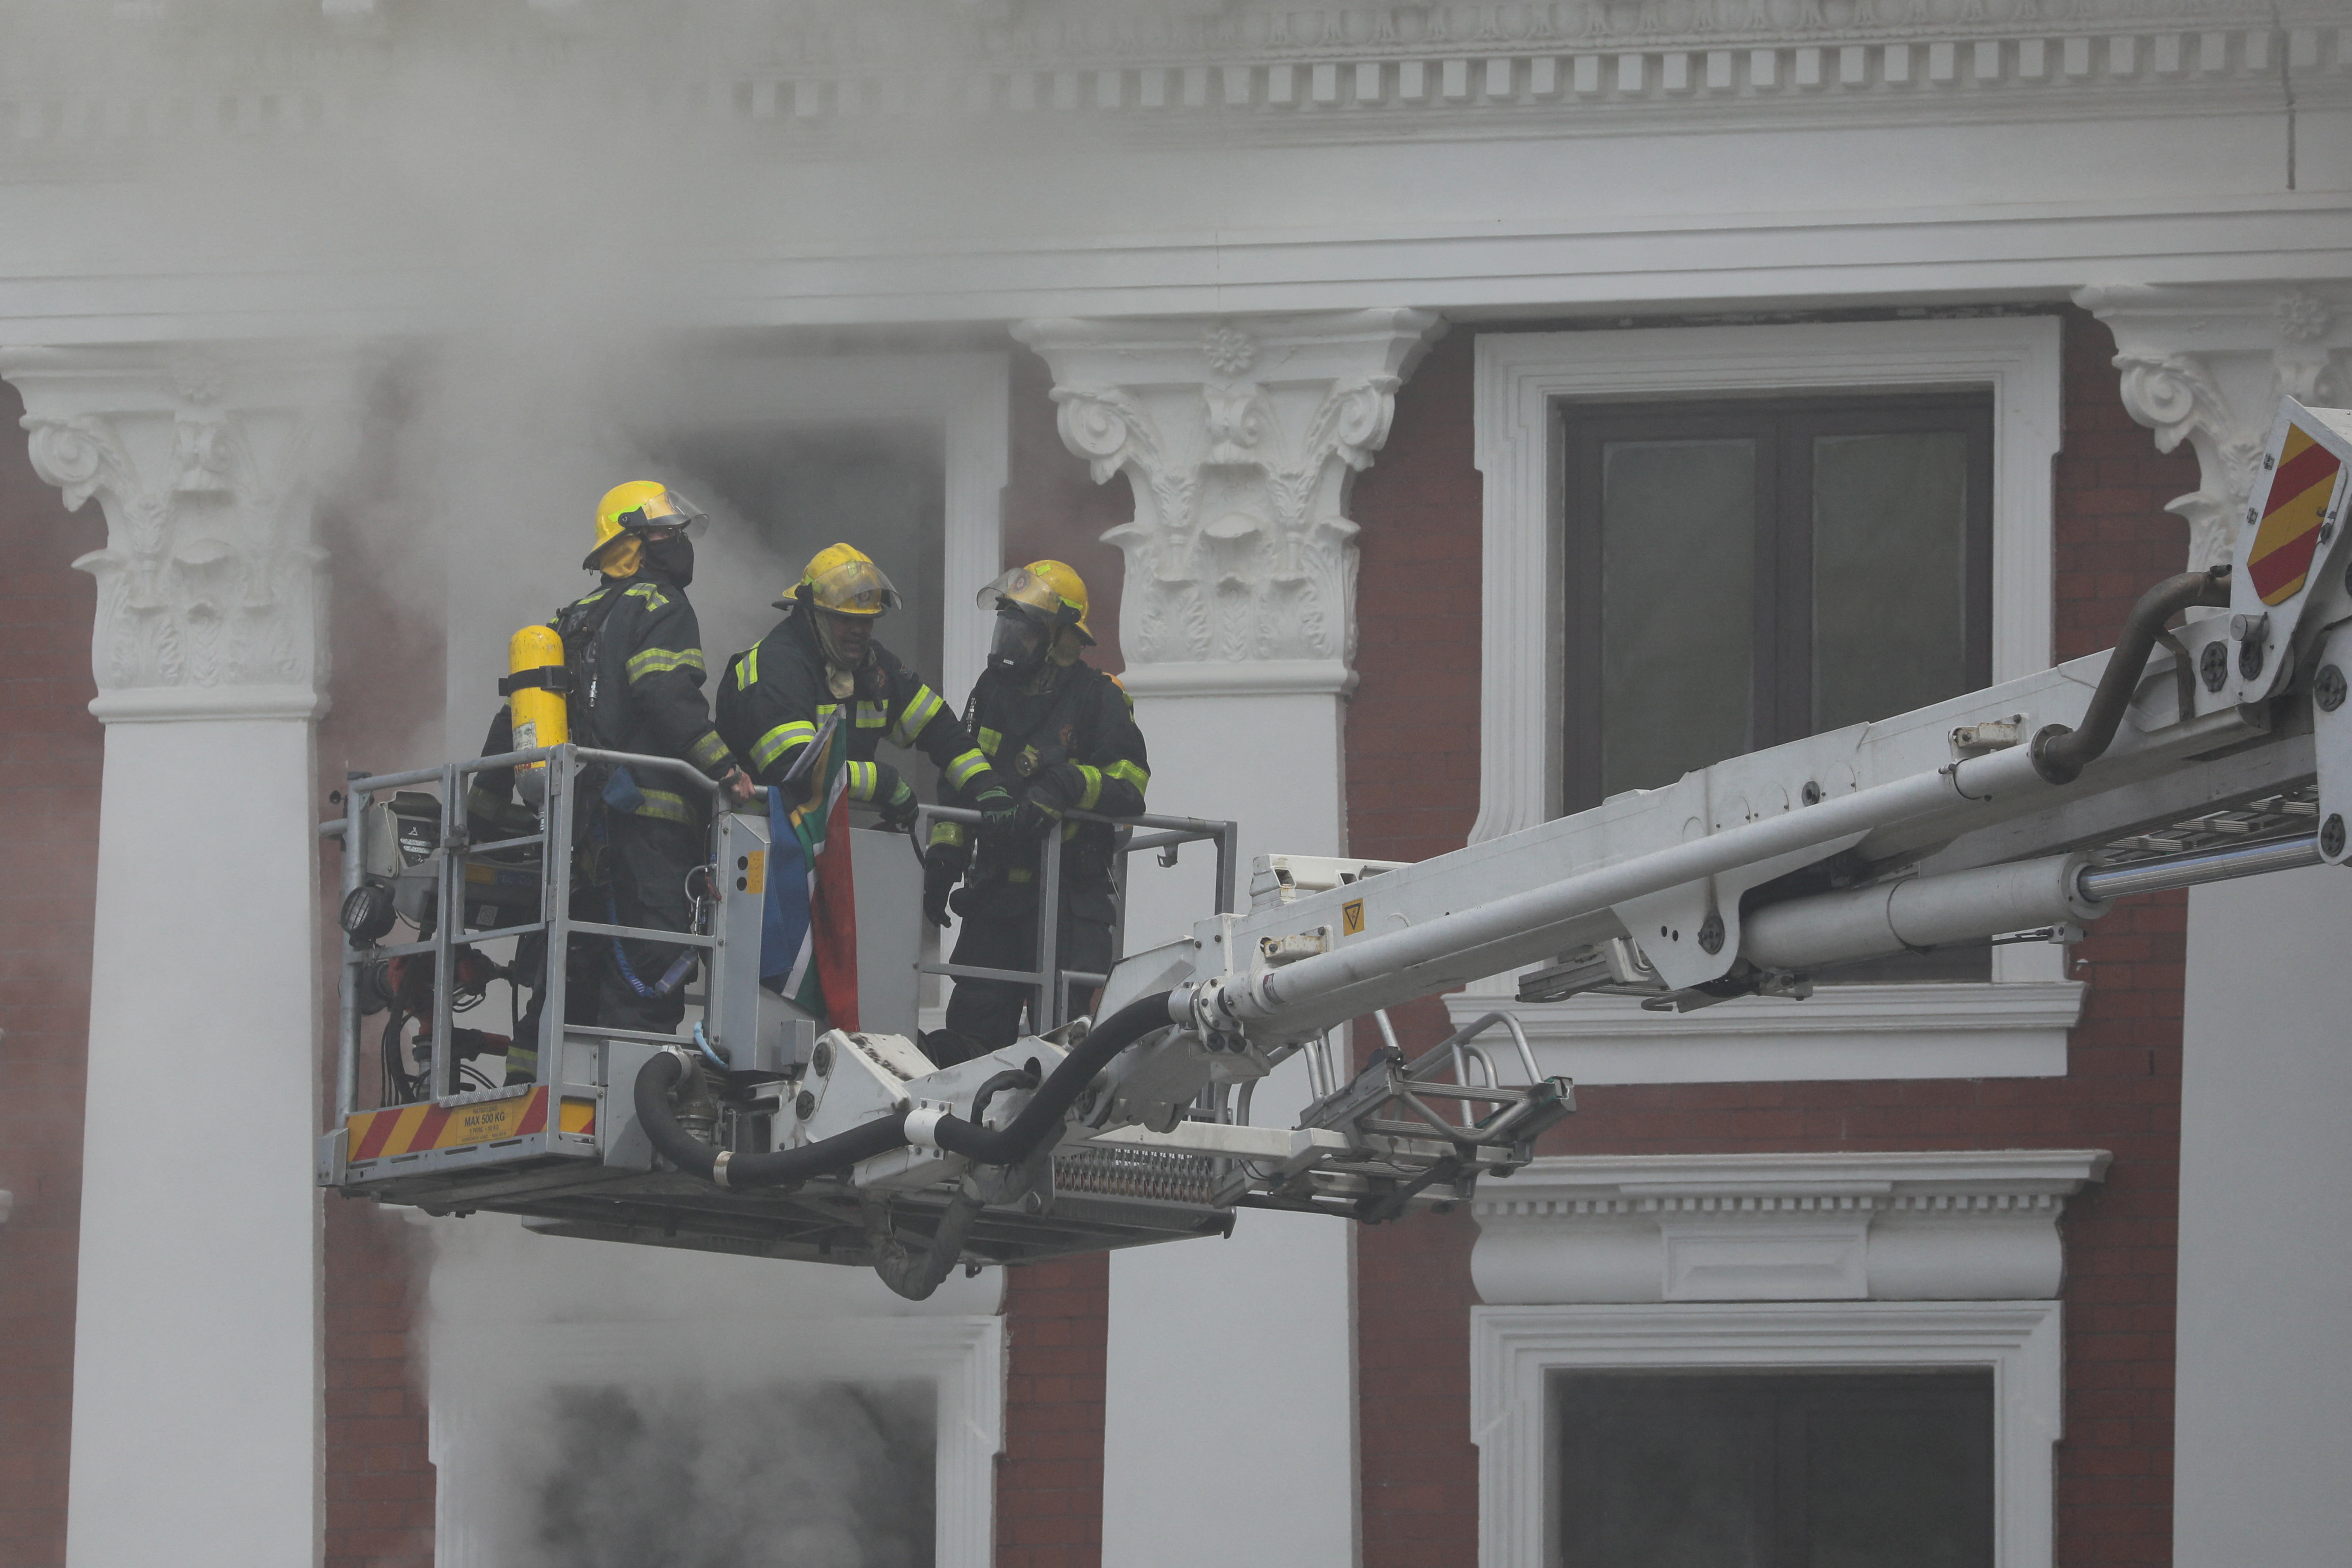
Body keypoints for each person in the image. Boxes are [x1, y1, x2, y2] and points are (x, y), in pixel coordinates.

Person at [477, 481, 756, 1070]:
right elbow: (664, 691)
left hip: (578, 832)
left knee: (573, 965)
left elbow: (513, 718)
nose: (679, 544)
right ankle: (629, 1109)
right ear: (630, 543)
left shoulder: (571, 619)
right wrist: (725, 768)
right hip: (646, 829)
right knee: (648, 968)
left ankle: (534, 1090)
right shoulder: (661, 605)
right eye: (665, 533)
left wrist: (480, 814)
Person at [927, 560, 1149, 1058]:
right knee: (970, 1040)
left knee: (1059, 1047)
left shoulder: (1100, 699)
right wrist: (944, 859)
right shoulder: (991, 691)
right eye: (1005, 626)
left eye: (1023, 631)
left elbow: (1130, 785)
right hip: (996, 895)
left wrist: (1068, 784)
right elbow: (962, 778)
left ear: (1062, 639)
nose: (1009, 641)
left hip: (1067, 898)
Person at [715, 542, 1008, 826]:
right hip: (758, 840)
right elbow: (799, 769)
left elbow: (939, 728)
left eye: (867, 620)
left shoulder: (874, 666)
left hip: (822, 845)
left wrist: (985, 785)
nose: (859, 630)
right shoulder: (776, 666)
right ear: (813, 613)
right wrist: (884, 784)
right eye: (845, 619)